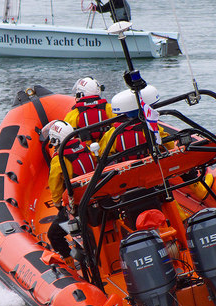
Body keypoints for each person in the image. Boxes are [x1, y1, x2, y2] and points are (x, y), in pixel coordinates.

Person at [42, 120, 97, 266]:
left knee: (54, 235)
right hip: (97, 195)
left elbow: (55, 185)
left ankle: (69, 263)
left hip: (77, 204)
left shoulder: (59, 159)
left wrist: (58, 204)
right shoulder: (86, 148)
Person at [98, 85, 172, 159]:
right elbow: (170, 146)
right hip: (150, 164)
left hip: (125, 169)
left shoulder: (112, 133)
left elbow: (102, 154)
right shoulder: (151, 127)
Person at [64, 77, 114, 143]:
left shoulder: (73, 114)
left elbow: (65, 136)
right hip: (108, 149)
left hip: (86, 151)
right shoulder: (110, 108)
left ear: (81, 94)